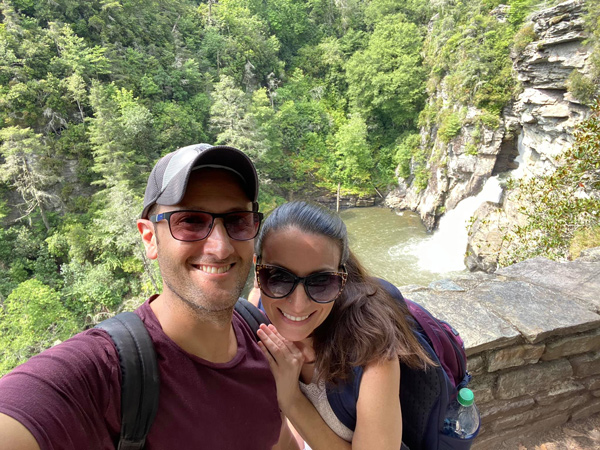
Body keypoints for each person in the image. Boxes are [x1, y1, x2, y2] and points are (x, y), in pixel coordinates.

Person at [0, 143, 299, 450]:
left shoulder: (263, 340)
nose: (220, 248)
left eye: (237, 220)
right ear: (149, 238)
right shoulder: (107, 372)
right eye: (191, 222)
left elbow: (277, 439)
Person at [250, 201, 433, 450]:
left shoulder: (371, 350)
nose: (298, 304)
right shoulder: (257, 310)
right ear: (257, 270)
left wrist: (291, 398)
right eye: (278, 277)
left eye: (321, 282)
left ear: (341, 278)